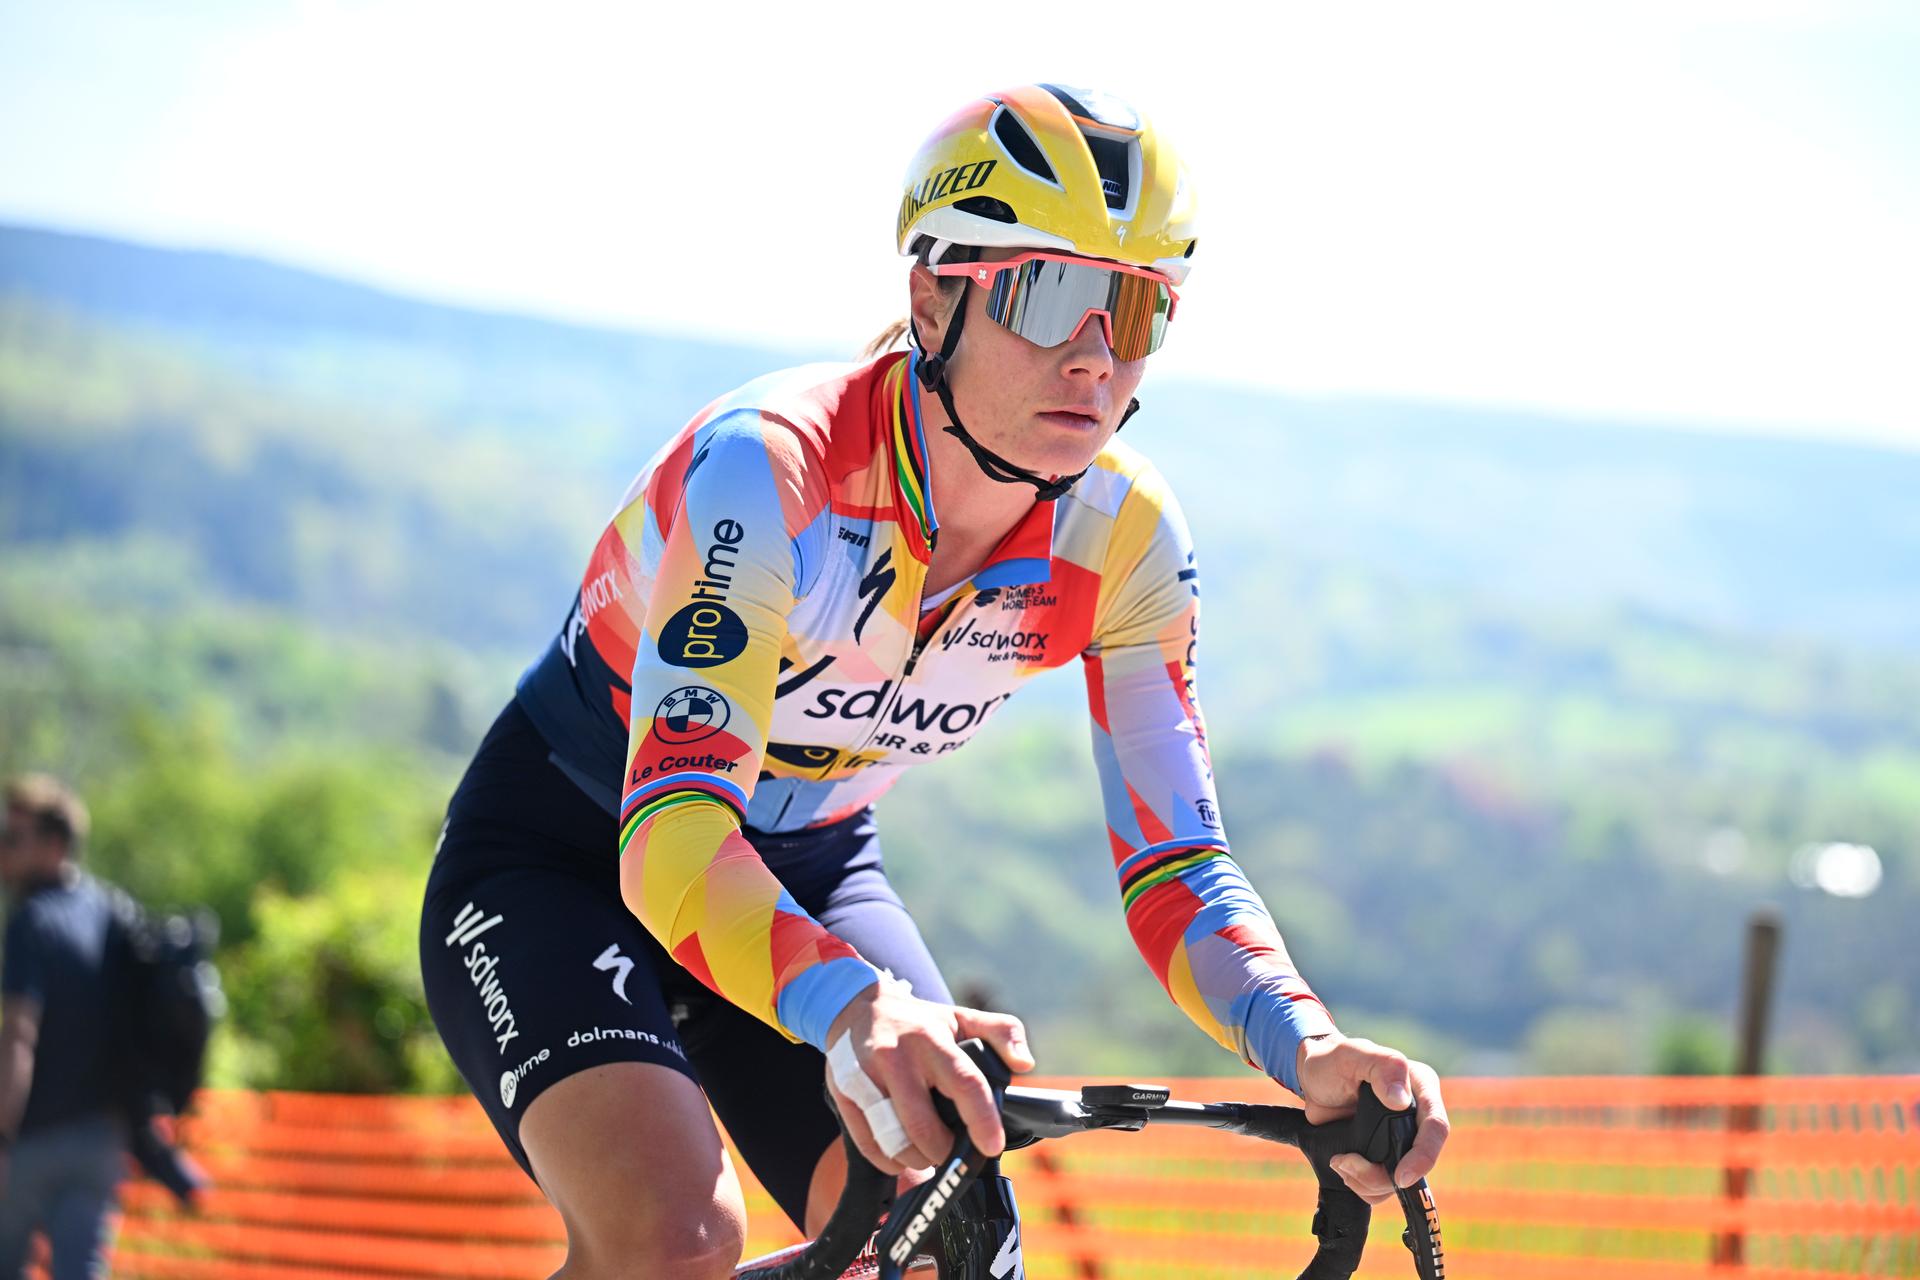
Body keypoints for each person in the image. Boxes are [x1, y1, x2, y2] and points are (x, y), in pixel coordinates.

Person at [419, 83, 1448, 1279]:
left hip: (808, 871)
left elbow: (1176, 863)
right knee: (673, 1241)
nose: (1095, 353)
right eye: (1051, 290)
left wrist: (1308, 1045)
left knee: (955, 1252)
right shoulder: (771, 470)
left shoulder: (1123, 539)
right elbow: (676, 836)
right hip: (577, 851)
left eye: (1136, 306)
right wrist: (858, 1007)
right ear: (929, 294)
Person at [0, 775, 123, 1280]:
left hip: (35, 1141)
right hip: (103, 1140)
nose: (1, 853)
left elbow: (18, 1039)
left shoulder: (32, 921)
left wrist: (1, 1137)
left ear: (53, 846)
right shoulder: (111, 910)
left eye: (11, 840)